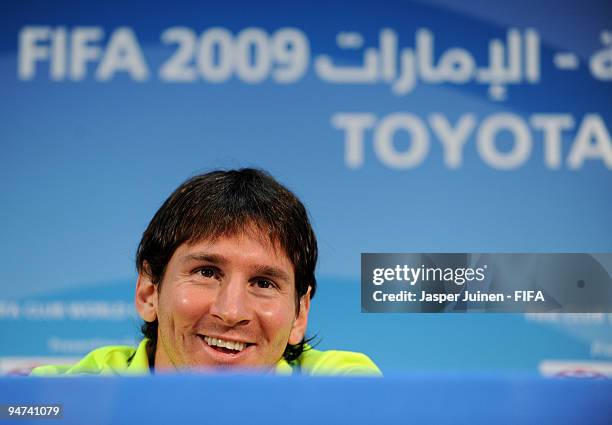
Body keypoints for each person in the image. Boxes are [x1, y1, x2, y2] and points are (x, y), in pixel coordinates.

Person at [32, 168, 380, 376]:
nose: (231, 312)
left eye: (263, 282)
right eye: (207, 273)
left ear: (300, 314)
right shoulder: (63, 397)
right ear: (149, 292)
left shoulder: (340, 387)